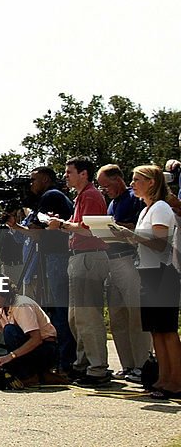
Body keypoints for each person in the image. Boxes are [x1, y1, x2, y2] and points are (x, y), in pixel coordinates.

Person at [114, 165, 181, 399]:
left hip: (162, 273)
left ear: (151, 182)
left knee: (167, 330)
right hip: (147, 272)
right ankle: (163, 379)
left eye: (137, 179)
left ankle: (177, 380)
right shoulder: (146, 210)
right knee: (156, 330)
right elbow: (144, 242)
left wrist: (131, 236)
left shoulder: (161, 207)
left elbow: (160, 243)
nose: (132, 184)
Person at [4, 166, 75, 373]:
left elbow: (38, 233)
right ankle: (61, 360)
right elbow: (37, 233)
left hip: (57, 257)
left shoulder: (51, 195)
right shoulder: (48, 197)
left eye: (34, 180)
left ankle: (64, 361)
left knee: (59, 311)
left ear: (45, 179)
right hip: (52, 257)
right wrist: (16, 226)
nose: (31, 184)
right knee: (55, 310)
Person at [47, 156, 111, 386]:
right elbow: (78, 228)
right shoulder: (82, 196)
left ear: (83, 173)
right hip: (79, 258)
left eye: (69, 171)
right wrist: (62, 224)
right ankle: (83, 365)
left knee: (88, 316)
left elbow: (91, 230)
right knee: (76, 318)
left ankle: (98, 368)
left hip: (89, 258)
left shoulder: (92, 196)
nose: (65, 175)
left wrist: (62, 225)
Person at [96, 164, 151, 383]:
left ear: (118, 179)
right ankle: (127, 364)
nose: (106, 190)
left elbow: (139, 229)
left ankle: (143, 365)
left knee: (135, 315)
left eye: (107, 185)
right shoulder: (111, 203)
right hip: (110, 261)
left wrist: (116, 227)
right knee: (118, 318)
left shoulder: (134, 198)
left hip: (129, 260)